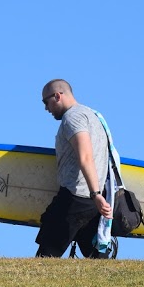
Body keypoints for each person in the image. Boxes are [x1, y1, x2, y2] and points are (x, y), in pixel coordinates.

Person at [35, 79, 115, 258]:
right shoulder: (93, 115)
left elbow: (85, 156)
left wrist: (96, 195)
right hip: (90, 200)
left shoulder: (73, 117)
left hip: (75, 197)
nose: (46, 108)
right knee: (97, 259)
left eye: (45, 102)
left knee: (45, 258)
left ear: (57, 96)